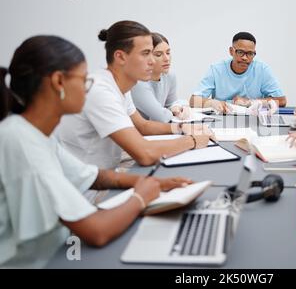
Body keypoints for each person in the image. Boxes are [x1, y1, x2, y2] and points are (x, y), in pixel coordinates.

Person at [0, 36, 193, 268]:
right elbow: (97, 231)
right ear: (59, 82)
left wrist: (151, 182)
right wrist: (140, 196)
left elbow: (94, 176)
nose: (87, 88)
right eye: (83, 80)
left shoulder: (35, 133)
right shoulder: (20, 141)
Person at [54, 21, 213, 170]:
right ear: (120, 57)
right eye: (146, 53)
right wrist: (191, 140)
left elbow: (142, 126)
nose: (152, 61)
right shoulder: (100, 91)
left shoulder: (120, 86)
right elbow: (144, 154)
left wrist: (182, 127)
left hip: (108, 172)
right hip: (91, 190)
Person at [190, 32, 286, 113]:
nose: (245, 58)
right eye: (240, 52)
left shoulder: (262, 69)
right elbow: (193, 101)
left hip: (253, 119)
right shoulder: (216, 70)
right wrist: (213, 103)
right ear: (231, 51)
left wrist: (250, 102)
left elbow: (282, 101)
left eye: (250, 54)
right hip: (223, 118)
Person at [131, 33, 190, 122]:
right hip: (138, 132)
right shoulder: (138, 82)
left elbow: (171, 103)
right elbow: (161, 116)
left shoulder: (169, 75)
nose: (167, 58)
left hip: (158, 131)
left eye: (168, 53)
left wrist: (178, 107)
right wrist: (172, 111)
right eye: (158, 54)